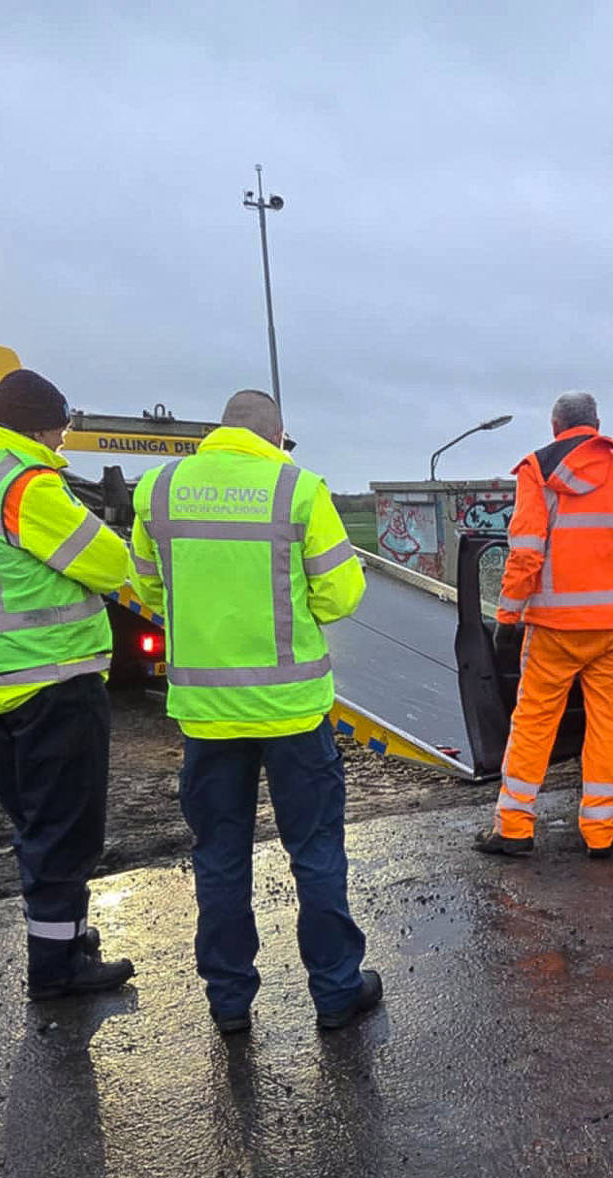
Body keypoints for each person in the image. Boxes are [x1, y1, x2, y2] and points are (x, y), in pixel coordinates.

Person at [129, 390, 382, 1034]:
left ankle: (230, 1002)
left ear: (222, 429)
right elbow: (341, 594)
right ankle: (334, 993)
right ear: (276, 435)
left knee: (219, 856)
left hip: (207, 716)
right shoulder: (297, 489)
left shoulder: (158, 491)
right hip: (293, 713)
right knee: (316, 852)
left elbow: (149, 585)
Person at [0, 369, 135, 1001]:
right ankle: (56, 970)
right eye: (62, 429)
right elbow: (108, 563)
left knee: (35, 821)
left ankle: (64, 934)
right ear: (38, 424)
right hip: (56, 680)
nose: (64, 442)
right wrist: (108, 528)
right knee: (66, 830)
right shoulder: (24, 483)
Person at [473, 391, 613, 860]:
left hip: (554, 628)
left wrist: (507, 616)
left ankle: (514, 827)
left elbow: (526, 552)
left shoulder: (538, 472)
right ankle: (601, 831)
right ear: (597, 424)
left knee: (533, 723)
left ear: (555, 426)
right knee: (607, 720)